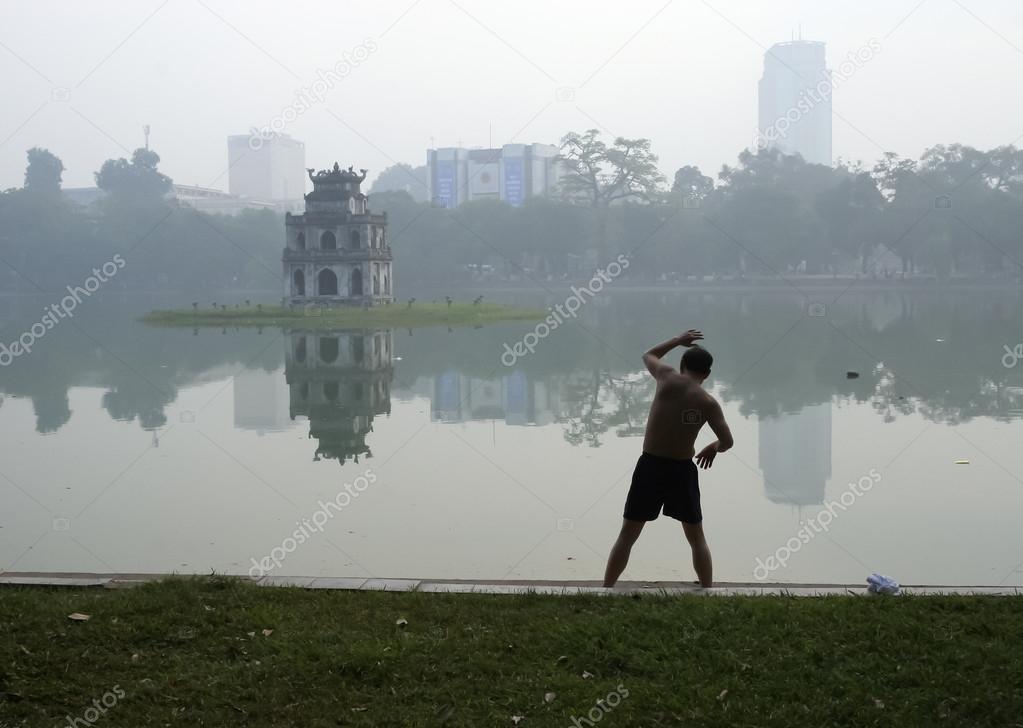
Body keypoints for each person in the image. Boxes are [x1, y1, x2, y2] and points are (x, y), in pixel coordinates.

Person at [603, 329, 734, 588]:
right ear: (707, 374)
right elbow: (728, 442)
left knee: (627, 534)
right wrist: (713, 447)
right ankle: (707, 589)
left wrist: (678, 340)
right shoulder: (708, 402)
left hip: (650, 465)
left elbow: (648, 354)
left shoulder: (666, 377)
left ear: (682, 366)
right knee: (696, 537)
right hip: (681, 471)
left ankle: (607, 588)